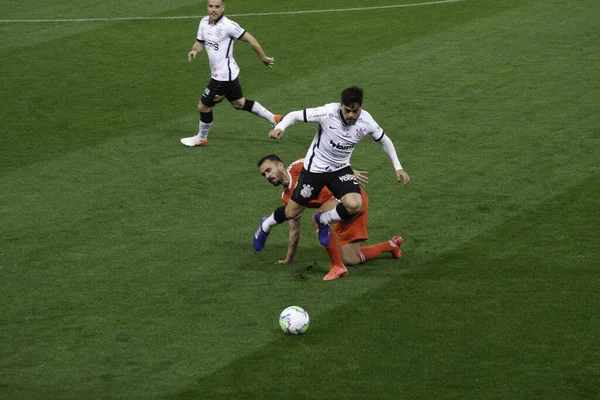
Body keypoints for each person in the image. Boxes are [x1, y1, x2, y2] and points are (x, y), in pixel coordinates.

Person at [253, 86, 410, 274]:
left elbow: (384, 140)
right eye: (347, 110)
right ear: (340, 106)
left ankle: (323, 220)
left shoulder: (366, 121)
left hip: (340, 169)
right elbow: (294, 115)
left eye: (355, 110)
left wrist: (398, 167)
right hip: (315, 170)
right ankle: (266, 224)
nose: (351, 115)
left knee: (355, 204)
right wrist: (280, 127)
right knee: (291, 211)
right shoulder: (327, 112)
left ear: (361, 107)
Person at [257, 154, 404, 280]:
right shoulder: (287, 197)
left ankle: (337, 267)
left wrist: (349, 172)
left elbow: (326, 161)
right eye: (264, 174)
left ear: (280, 165)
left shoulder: (298, 167)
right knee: (351, 259)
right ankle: (391, 245)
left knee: (317, 218)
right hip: (335, 211)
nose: (268, 176)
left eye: (269, 170)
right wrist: (288, 258)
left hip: (351, 198)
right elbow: (294, 229)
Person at [180, 0, 282, 147]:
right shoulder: (204, 22)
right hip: (229, 73)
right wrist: (194, 50)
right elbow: (200, 42)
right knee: (238, 103)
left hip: (223, 77)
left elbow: (250, 39)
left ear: (223, 8)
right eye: (210, 6)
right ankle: (275, 119)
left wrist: (263, 58)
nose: (213, 10)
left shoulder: (228, 26)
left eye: (217, 7)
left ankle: (201, 138)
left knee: (203, 107)